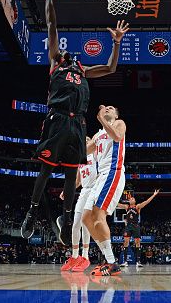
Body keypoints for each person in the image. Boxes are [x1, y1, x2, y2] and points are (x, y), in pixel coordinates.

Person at [21, 0, 129, 245]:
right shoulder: (56, 61)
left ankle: (67, 218)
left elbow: (112, 67)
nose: (73, 56)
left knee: (71, 173)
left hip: (77, 123)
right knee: (45, 169)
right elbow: (51, 25)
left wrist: (116, 43)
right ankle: (32, 212)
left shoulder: (83, 71)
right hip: (56, 119)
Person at [82, 105, 127, 276]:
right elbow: (84, 152)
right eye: (105, 108)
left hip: (113, 172)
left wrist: (100, 117)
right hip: (101, 176)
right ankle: (109, 260)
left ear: (116, 115)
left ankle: (111, 263)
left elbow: (117, 137)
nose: (107, 109)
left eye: (110, 108)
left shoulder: (119, 124)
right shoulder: (97, 135)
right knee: (86, 218)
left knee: (98, 215)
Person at [60, 139, 96, 272]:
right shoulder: (80, 159)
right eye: (84, 140)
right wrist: (67, 191)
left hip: (94, 190)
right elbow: (78, 181)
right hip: (84, 190)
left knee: (86, 222)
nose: (85, 141)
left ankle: (85, 256)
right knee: (76, 224)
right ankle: (75, 256)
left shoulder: (96, 154)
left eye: (88, 139)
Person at [117, 190, 160, 268]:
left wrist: (154, 195)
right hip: (128, 226)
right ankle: (125, 262)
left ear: (135, 201)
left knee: (137, 243)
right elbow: (117, 204)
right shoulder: (126, 207)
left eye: (132, 198)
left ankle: (138, 262)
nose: (131, 199)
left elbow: (146, 202)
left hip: (135, 226)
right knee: (125, 242)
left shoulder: (138, 206)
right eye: (130, 199)